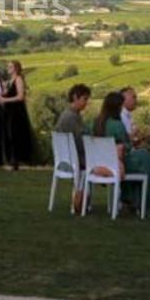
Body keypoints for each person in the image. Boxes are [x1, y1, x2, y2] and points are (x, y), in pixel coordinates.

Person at [55, 84, 91, 214]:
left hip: (65, 159)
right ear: (75, 97)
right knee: (97, 164)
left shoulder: (69, 114)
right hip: (73, 161)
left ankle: (83, 201)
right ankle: (80, 202)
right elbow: (80, 143)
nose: (87, 102)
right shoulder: (72, 118)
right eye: (85, 99)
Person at [1, 60, 34, 170]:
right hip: (9, 111)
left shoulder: (18, 79)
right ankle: (12, 160)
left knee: (14, 135)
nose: (8, 68)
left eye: (10, 66)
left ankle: (16, 161)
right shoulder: (10, 81)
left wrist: (5, 99)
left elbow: (20, 96)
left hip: (16, 111)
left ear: (16, 68)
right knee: (10, 135)